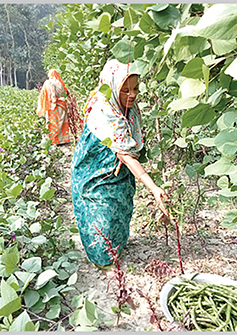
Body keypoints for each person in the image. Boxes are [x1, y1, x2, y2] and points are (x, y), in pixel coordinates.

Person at [71, 59, 169, 267]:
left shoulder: (127, 109)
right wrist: (153, 188)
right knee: (101, 212)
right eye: (125, 90)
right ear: (113, 88)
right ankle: (102, 259)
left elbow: (128, 149)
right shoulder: (107, 112)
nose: (132, 95)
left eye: (135, 89)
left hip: (118, 170)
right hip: (95, 171)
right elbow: (126, 155)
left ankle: (116, 245)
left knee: (120, 207)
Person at [36, 69, 71, 145]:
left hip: (51, 107)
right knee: (61, 121)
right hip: (61, 106)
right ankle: (62, 140)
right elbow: (65, 93)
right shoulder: (60, 83)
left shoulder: (47, 83)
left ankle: (52, 140)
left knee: (52, 122)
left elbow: (44, 94)